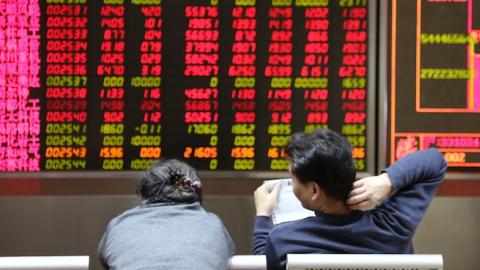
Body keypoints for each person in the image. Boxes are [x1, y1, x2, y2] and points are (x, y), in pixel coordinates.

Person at [252, 129, 447, 270]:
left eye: (293, 179)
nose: (292, 185)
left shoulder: (285, 239)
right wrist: (387, 180)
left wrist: (262, 216)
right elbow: (435, 161)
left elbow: (259, 265)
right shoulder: (392, 227)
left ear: (314, 190)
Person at [98, 159, 235, 270]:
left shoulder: (119, 225)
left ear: (143, 195)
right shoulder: (214, 225)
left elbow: (106, 262)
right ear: (197, 195)